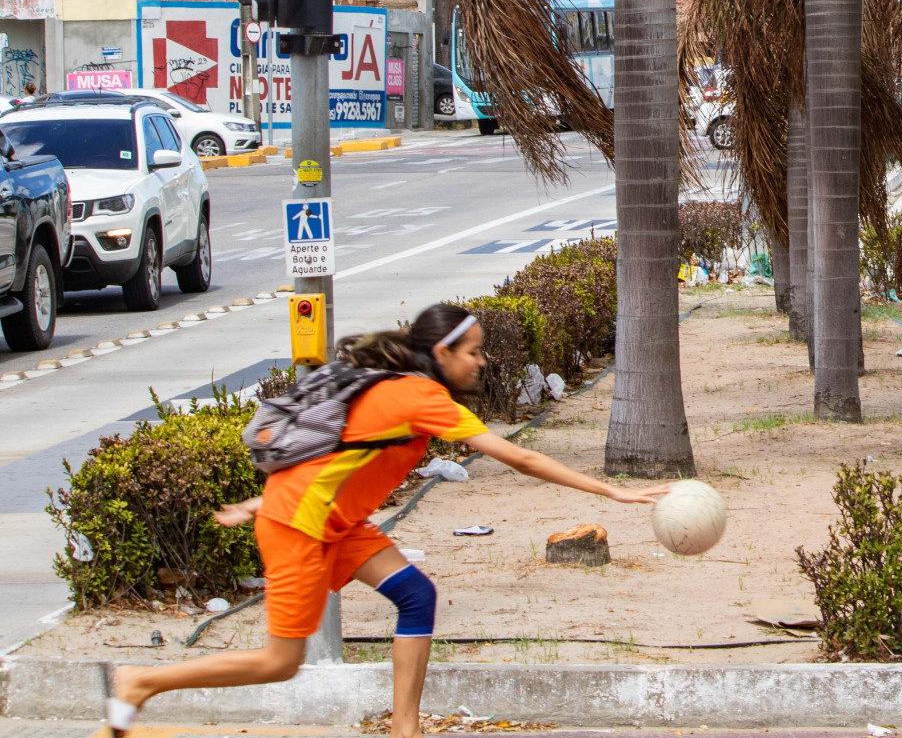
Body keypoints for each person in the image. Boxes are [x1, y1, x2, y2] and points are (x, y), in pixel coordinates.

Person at [105, 303, 668, 738]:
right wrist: (610, 492)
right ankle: (142, 681)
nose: (482, 360)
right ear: (443, 352)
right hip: (302, 525)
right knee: (280, 662)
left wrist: (262, 501)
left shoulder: (399, 391)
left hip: (332, 521)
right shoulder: (419, 395)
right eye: (473, 351)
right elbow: (518, 457)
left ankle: (405, 727)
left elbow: (334, 450)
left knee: (416, 595)